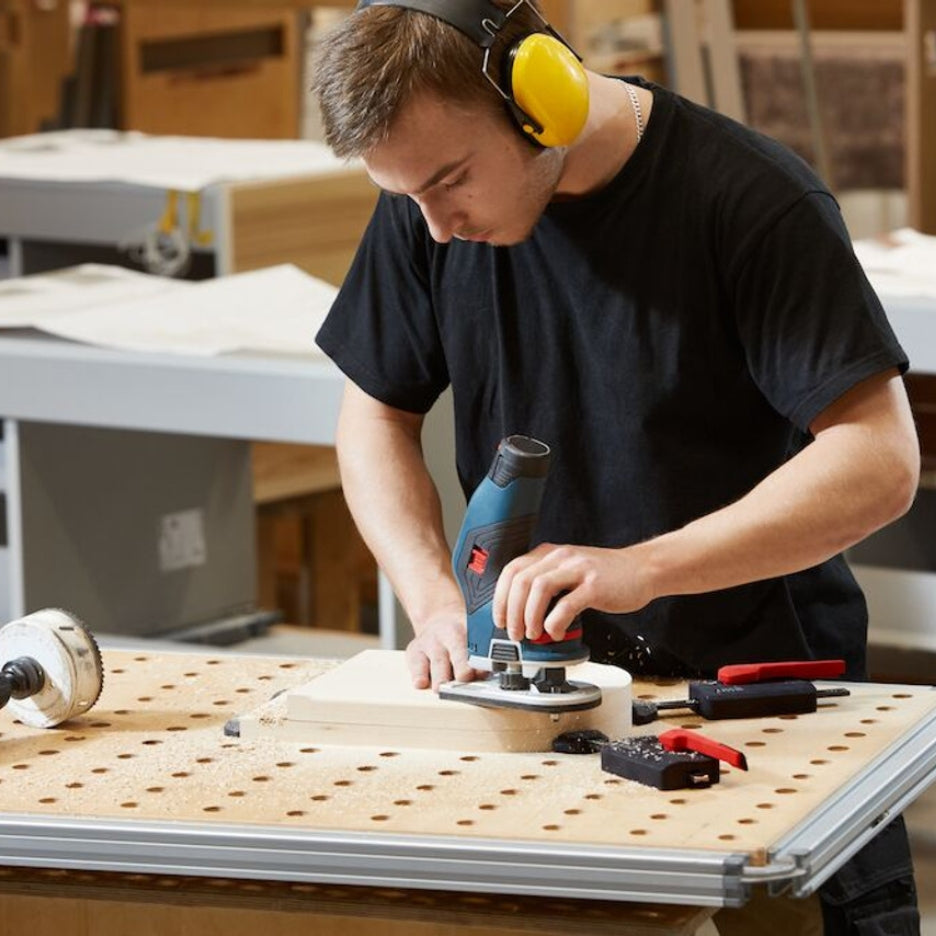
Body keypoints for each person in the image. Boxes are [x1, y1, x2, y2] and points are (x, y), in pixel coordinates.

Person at [311, 1, 922, 932]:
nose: (434, 227)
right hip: (542, 714)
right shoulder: (430, 213)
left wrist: (642, 568)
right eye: (408, 199)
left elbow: (879, 459)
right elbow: (373, 417)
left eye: (449, 181)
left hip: (753, 713)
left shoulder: (750, 201)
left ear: (539, 98)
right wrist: (434, 600)